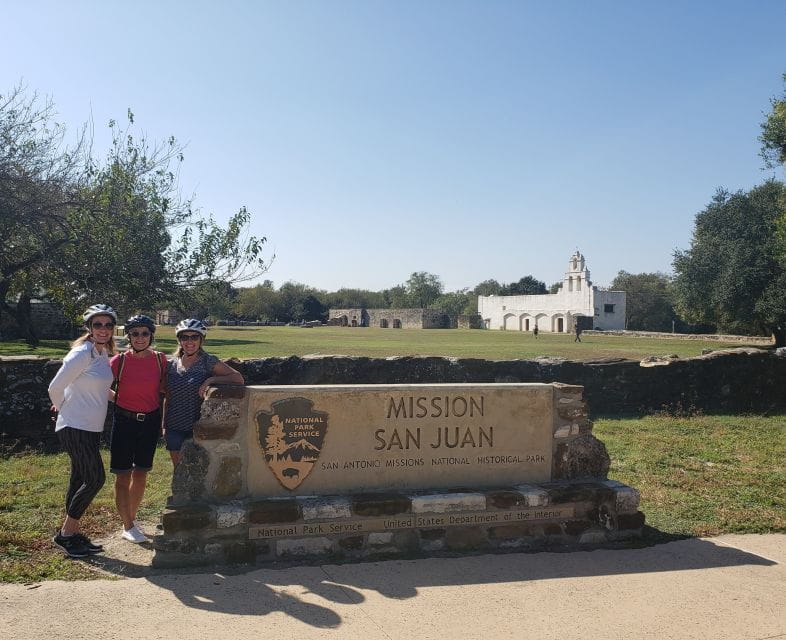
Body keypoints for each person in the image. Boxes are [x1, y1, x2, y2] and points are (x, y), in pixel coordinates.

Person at [48, 304, 117, 558]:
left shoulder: (100, 354)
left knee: (79, 479)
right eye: (97, 324)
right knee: (95, 478)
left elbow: (99, 390)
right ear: (89, 328)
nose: (103, 329)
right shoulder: (81, 354)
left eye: (108, 325)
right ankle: (65, 534)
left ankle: (72, 534)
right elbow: (55, 387)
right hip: (74, 425)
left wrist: (121, 399)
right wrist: (61, 406)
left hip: (90, 427)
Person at [109, 315, 167, 544]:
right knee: (122, 474)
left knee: (141, 473)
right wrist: (119, 399)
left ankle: (130, 520)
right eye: (135, 333)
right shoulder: (119, 361)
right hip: (124, 421)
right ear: (128, 336)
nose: (140, 338)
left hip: (150, 421)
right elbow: (99, 386)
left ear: (151, 335)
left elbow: (168, 388)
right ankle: (128, 525)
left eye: (144, 333)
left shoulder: (161, 361)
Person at [164, 319, 244, 466]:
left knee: (196, 470)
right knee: (178, 470)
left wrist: (210, 380)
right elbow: (168, 396)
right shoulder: (172, 364)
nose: (189, 341)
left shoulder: (208, 362)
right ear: (179, 340)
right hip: (173, 425)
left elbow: (237, 378)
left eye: (194, 337)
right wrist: (163, 425)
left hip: (196, 426)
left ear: (201, 340)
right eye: (184, 337)